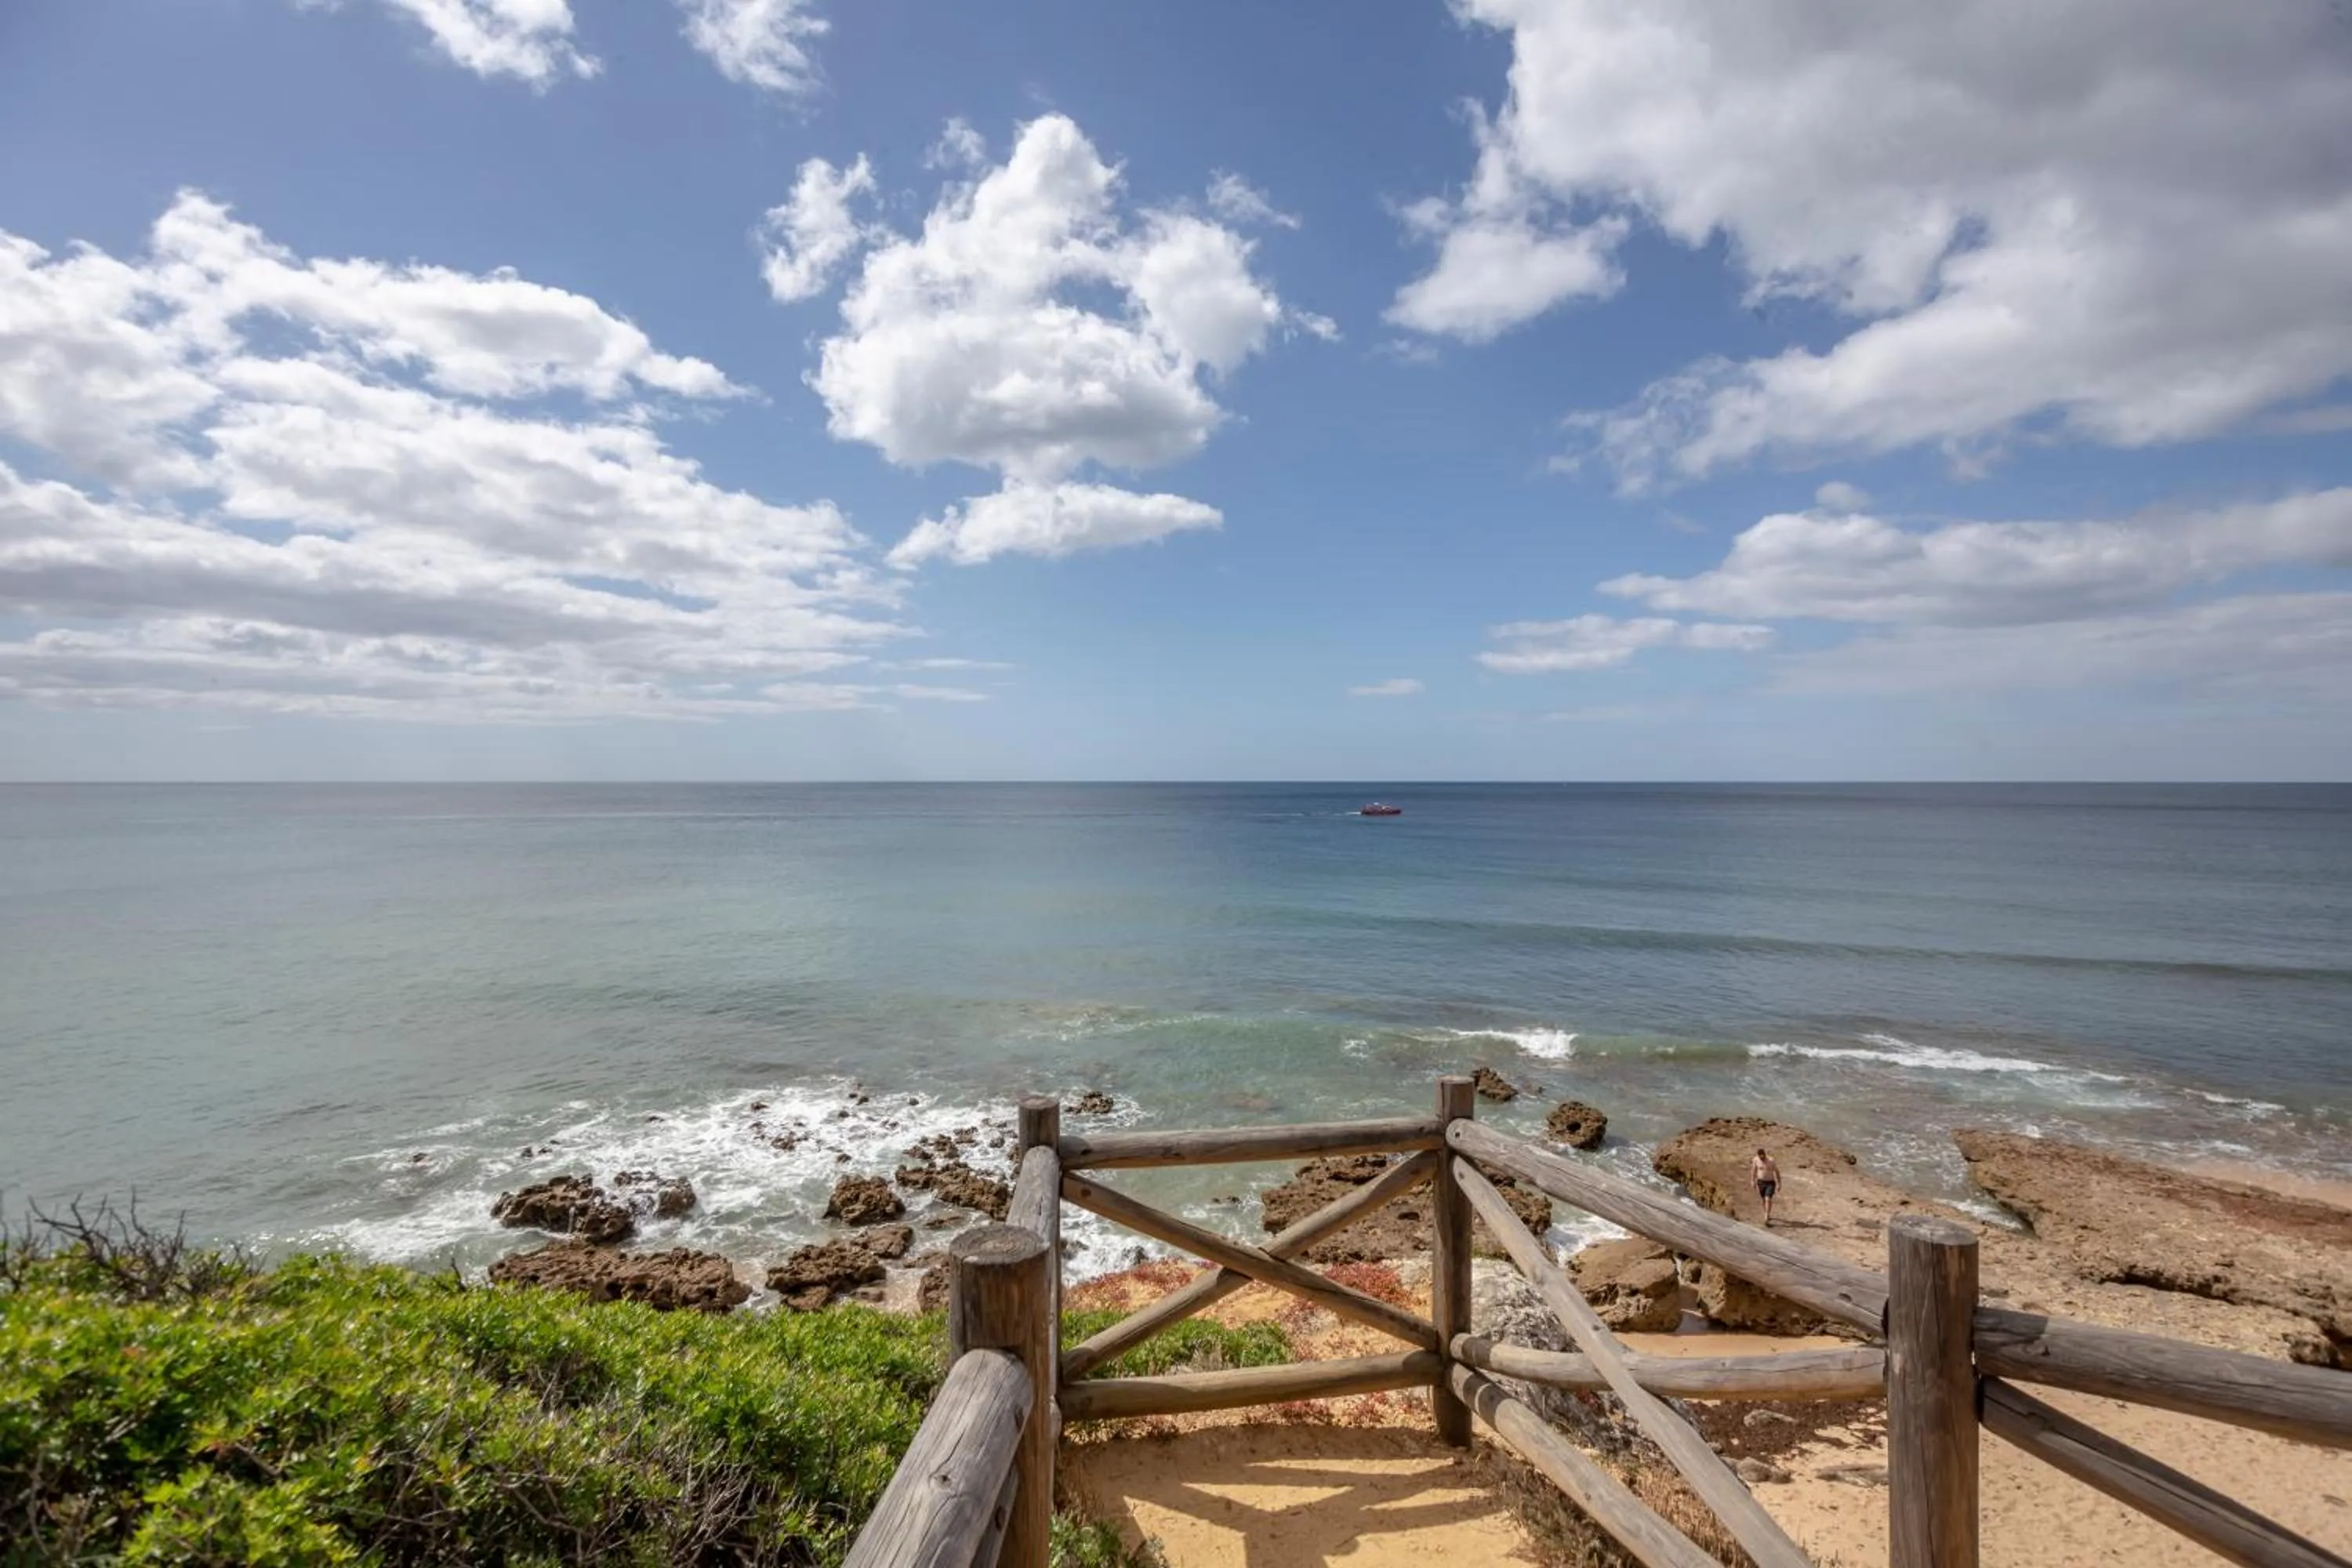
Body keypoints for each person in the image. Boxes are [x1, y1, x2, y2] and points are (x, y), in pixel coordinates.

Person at [1751, 1147, 1780, 1226]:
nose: (1762, 1159)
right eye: (1760, 1157)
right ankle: (1766, 1212)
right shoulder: (1756, 1160)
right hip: (1761, 1182)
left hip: (1770, 1182)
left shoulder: (1771, 1161)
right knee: (1763, 1199)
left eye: (1763, 1157)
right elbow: (1754, 1170)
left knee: (1768, 1198)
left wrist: (1779, 1184)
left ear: (1765, 1155)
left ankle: (1766, 1216)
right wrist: (1753, 1181)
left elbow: (1777, 1172)